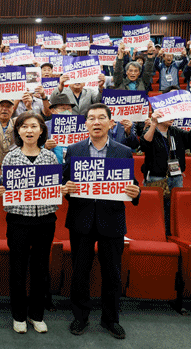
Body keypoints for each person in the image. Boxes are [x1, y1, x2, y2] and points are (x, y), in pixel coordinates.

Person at [62, 103, 140, 340]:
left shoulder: (123, 151)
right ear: (85, 124)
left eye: (101, 118)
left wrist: (135, 191)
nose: (96, 122)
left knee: (112, 273)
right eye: (91, 118)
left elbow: (132, 185)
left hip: (112, 220)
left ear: (110, 123)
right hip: (81, 220)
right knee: (80, 272)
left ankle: (110, 319)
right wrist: (66, 189)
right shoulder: (74, 150)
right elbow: (65, 185)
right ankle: (80, 317)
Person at [0, 112, 64, 334]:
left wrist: (58, 192)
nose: (29, 130)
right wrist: (5, 192)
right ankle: (18, 315)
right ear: (18, 131)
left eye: (33, 126)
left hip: (45, 221)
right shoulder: (10, 158)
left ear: (41, 130)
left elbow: (55, 195)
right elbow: (7, 195)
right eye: (24, 126)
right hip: (18, 221)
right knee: (17, 267)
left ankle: (37, 314)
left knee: (40, 267)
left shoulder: (50, 158)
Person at [140, 109, 191, 236]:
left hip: (176, 176)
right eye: (168, 114)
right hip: (156, 178)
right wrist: (153, 123)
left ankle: (171, 235)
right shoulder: (150, 131)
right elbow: (145, 143)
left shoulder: (175, 131)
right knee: (156, 210)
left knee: (174, 210)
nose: (172, 117)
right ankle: (156, 235)